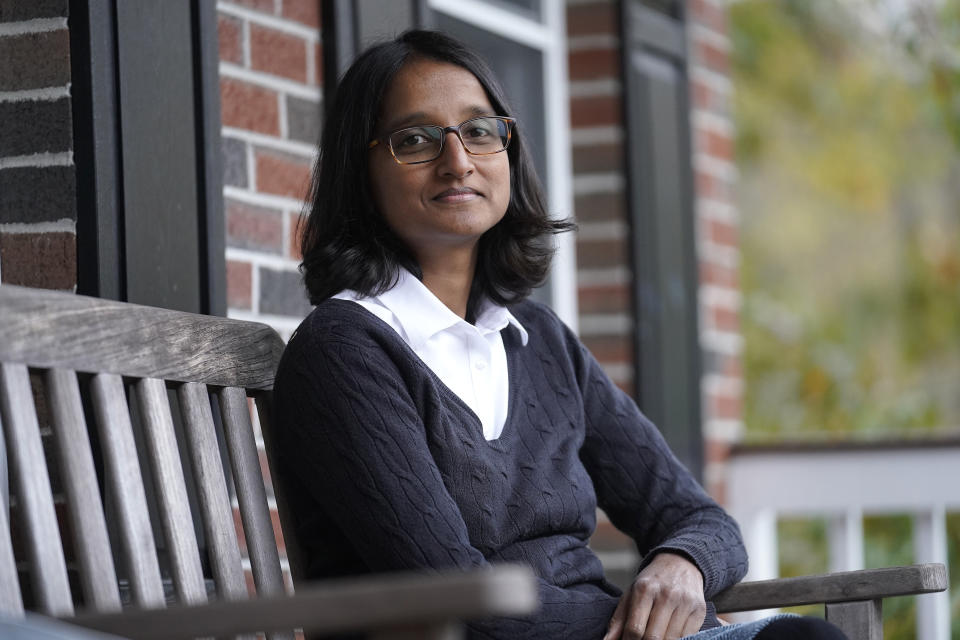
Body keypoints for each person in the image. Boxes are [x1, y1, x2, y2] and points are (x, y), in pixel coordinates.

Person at [273, 29, 847, 640]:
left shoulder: (539, 342)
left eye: (479, 130)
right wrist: (663, 628)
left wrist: (685, 565)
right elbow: (457, 596)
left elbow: (697, 517)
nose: (458, 160)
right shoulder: (343, 351)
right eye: (414, 139)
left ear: (508, 151)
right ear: (359, 172)